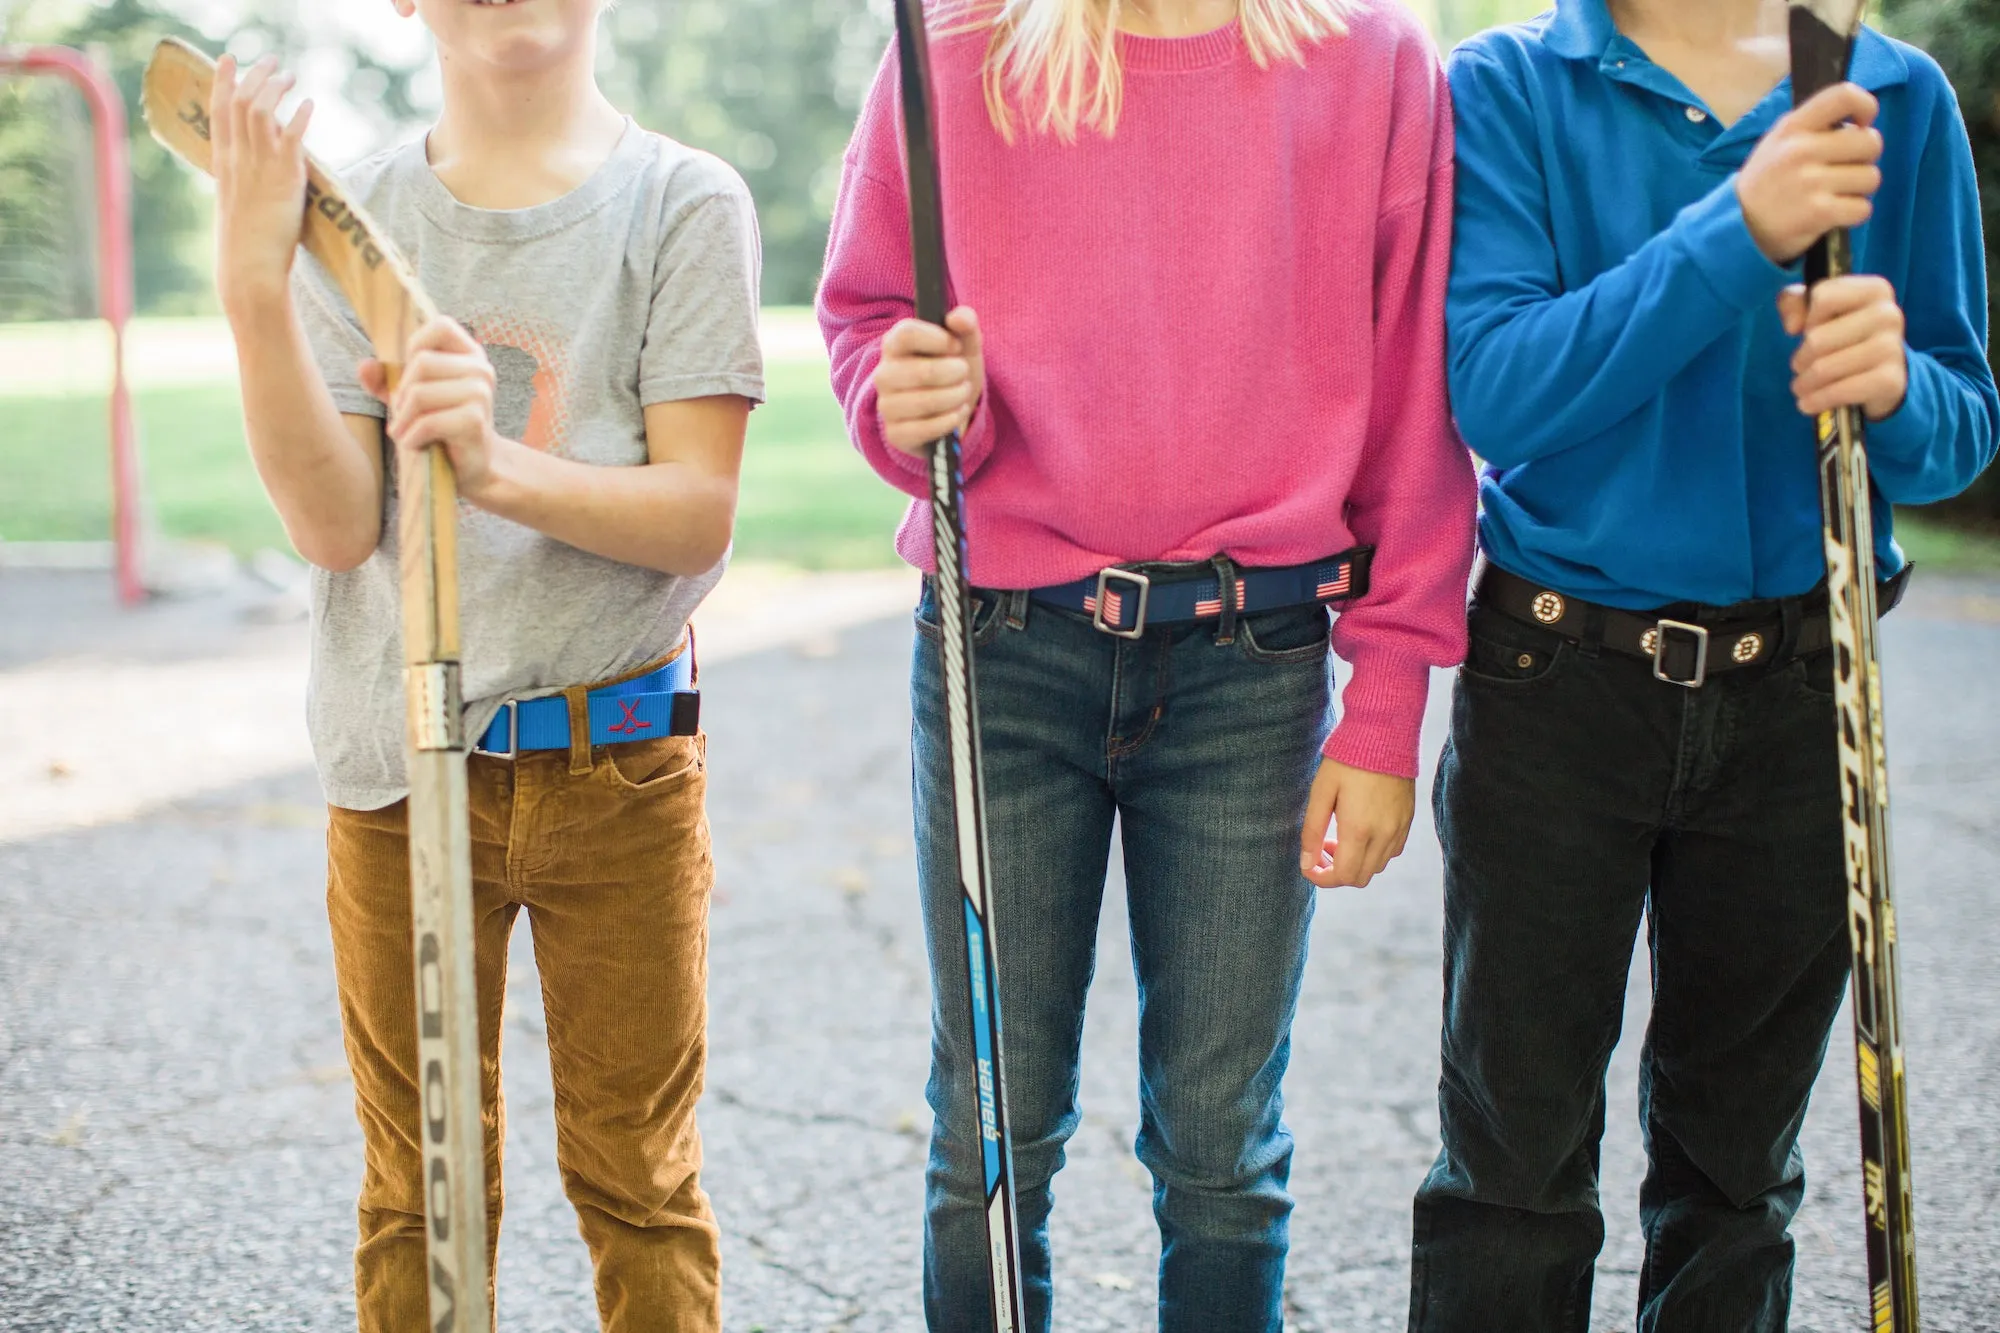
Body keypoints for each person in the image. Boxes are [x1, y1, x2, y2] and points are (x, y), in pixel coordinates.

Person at [818, 0, 1477, 1327]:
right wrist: (904, 400)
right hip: (1003, 647)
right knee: (990, 1134)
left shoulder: (1374, 59)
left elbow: (1419, 404)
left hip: (1255, 659)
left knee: (1222, 1145)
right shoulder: (953, 51)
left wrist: (1387, 704)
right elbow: (869, 319)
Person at [1410, 1, 1997, 1329]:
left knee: (1737, 1177)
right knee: (1513, 1162)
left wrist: (1897, 385)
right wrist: (1742, 229)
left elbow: (1959, 434)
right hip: (1558, 683)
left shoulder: (1890, 93)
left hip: (1800, 690)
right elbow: (1497, 392)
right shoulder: (1507, 85)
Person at [204, 0, 763, 1326]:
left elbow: (697, 511)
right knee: (422, 1191)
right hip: (401, 776)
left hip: (617, 766)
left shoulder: (682, 201)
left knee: (639, 1180)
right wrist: (252, 286)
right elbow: (337, 527)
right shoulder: (359, 215)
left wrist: (496, 468)